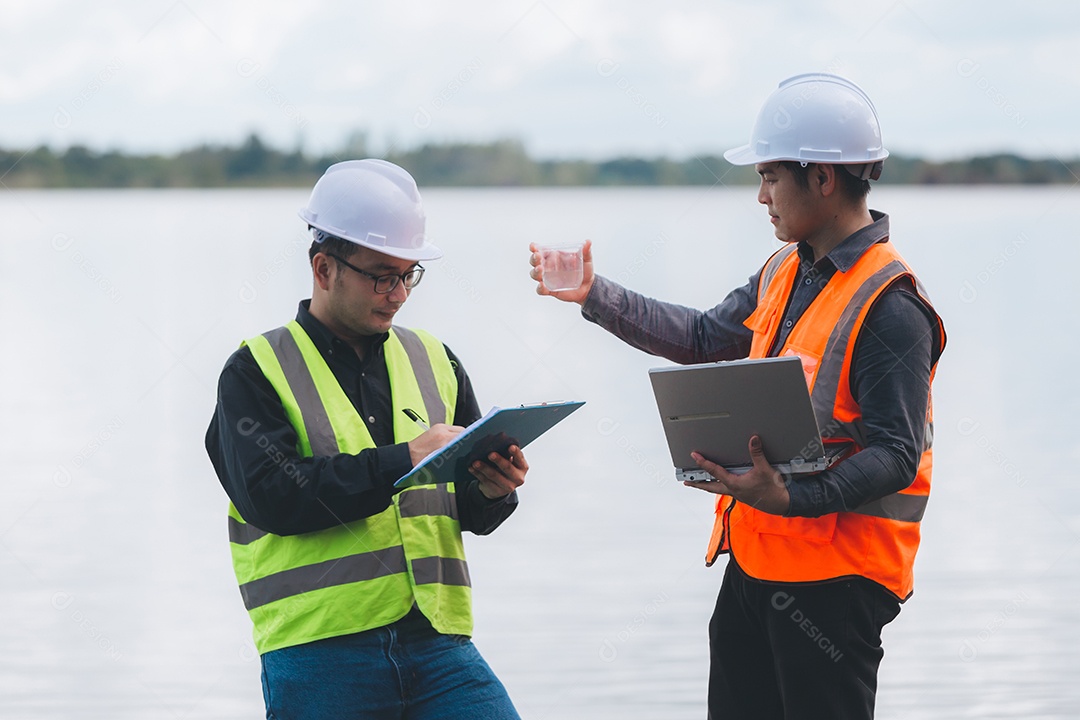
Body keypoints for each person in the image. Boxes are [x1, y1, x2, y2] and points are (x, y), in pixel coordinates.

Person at [529, 73, 946, 719]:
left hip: (838, 583)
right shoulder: (785, 269)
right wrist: (594, 294)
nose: (760, 197)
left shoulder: (892, 306)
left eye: (770, 178)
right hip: (757, 565)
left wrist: (796, 498)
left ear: (823, 178)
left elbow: (895, 452)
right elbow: (701, 337)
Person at [206, 159, 527, 719]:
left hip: (440, 643)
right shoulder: (254, 370)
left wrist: (495, 491)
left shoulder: (436, 359)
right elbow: (275, 498)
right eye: (382, 275)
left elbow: (467, 510)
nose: (399, 293)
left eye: (409, 274)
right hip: (318, 655)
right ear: (323, 267)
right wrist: (403, 459)